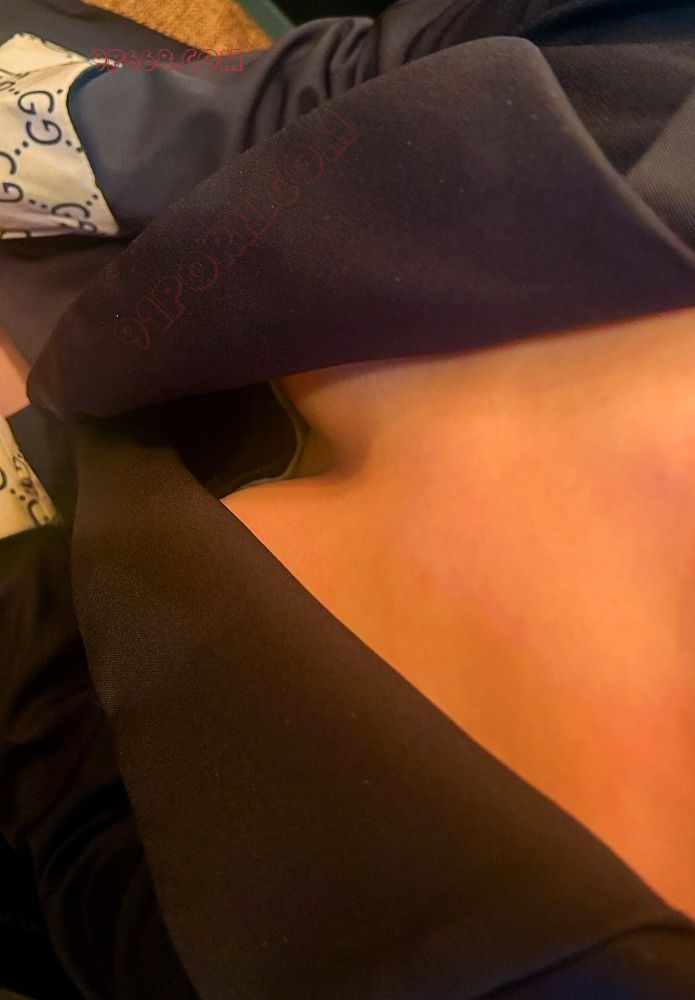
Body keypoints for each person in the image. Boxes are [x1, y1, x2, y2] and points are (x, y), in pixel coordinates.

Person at [3, 0, 695, 998]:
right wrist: (57, 147)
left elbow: (99, 848)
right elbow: (372, 82)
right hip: (167, 183)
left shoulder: (558, 960)